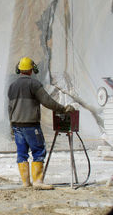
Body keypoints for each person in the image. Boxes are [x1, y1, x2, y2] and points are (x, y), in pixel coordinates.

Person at [7, 57, 74, 189]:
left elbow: (10, 108)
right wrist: (63, 109)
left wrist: (11, 126)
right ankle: (38, 181)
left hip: (17, 125)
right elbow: (47, 101)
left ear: (19, 69)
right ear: (32, 70)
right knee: (38, 151)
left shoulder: (12, 86)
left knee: (22, 153)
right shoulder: (34, 84)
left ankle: (26, 182)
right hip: (31, 125)